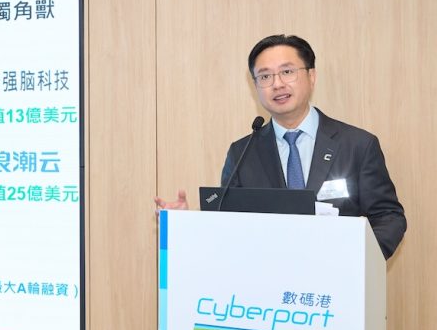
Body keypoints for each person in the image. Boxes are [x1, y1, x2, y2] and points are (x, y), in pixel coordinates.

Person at [155, 34, 406, 259]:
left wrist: (357, 261)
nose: (277, 84)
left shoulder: (357, 145)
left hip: (339, 284)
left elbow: (388, 217)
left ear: (311, 76)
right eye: (265, 76)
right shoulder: (243, 153)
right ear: (255, 86)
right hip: (269, 289)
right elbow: (227, 224)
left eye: (287, 72)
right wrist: (185, 223)